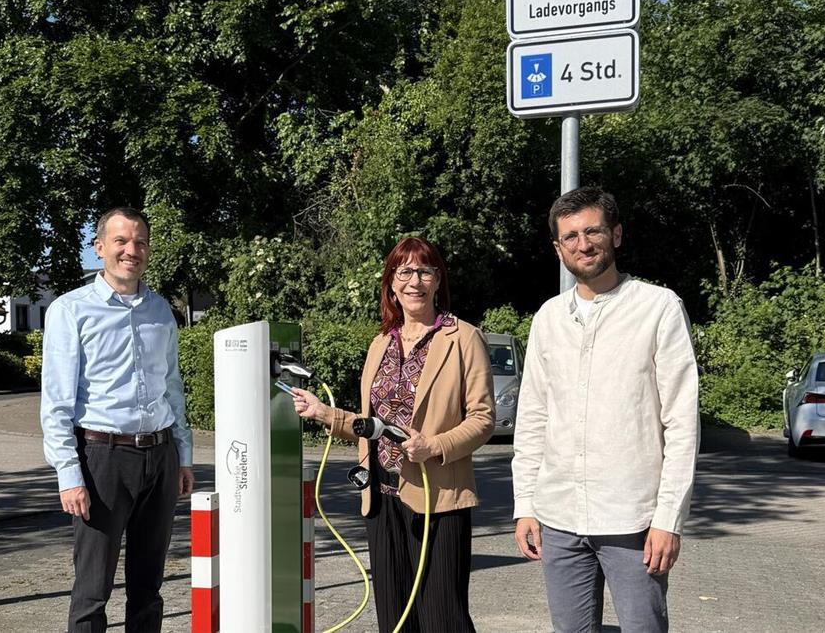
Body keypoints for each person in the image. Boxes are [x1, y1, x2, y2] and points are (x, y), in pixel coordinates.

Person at [512, 187, 699, 633]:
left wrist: (669, 520)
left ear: (616, 234)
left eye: (593, 231)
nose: (583, 244)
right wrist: (525, 505)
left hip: (632, 519)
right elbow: (533, 417)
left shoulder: (658, 308)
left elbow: (681, 423)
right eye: (570, 236)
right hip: (558, 517)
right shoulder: (548, 318)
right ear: (558, 248)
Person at [288, 236, 494, 632]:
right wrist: (324, 414)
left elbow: (483, 418)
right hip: (381, 499)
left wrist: (434, 445)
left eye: (425, 271)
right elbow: (372, 425)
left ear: (438, 280)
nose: (415, 281)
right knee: (395, 618)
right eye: (405, 272)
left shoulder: (463, 338)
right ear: (391, 284)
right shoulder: (380, 343)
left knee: (443, 619)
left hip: (437, 497)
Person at [40, 206, 194, 633]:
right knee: (93, 591)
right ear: (100, 247)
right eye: (121, 241)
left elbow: (172, 387)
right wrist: (68, 475)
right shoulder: (71, 310)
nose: (132, 250)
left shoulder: (160, 310)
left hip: (159, 456)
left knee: (149, 587)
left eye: (140, 242)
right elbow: (56, 402)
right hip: (102, 460)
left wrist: (183, 456)